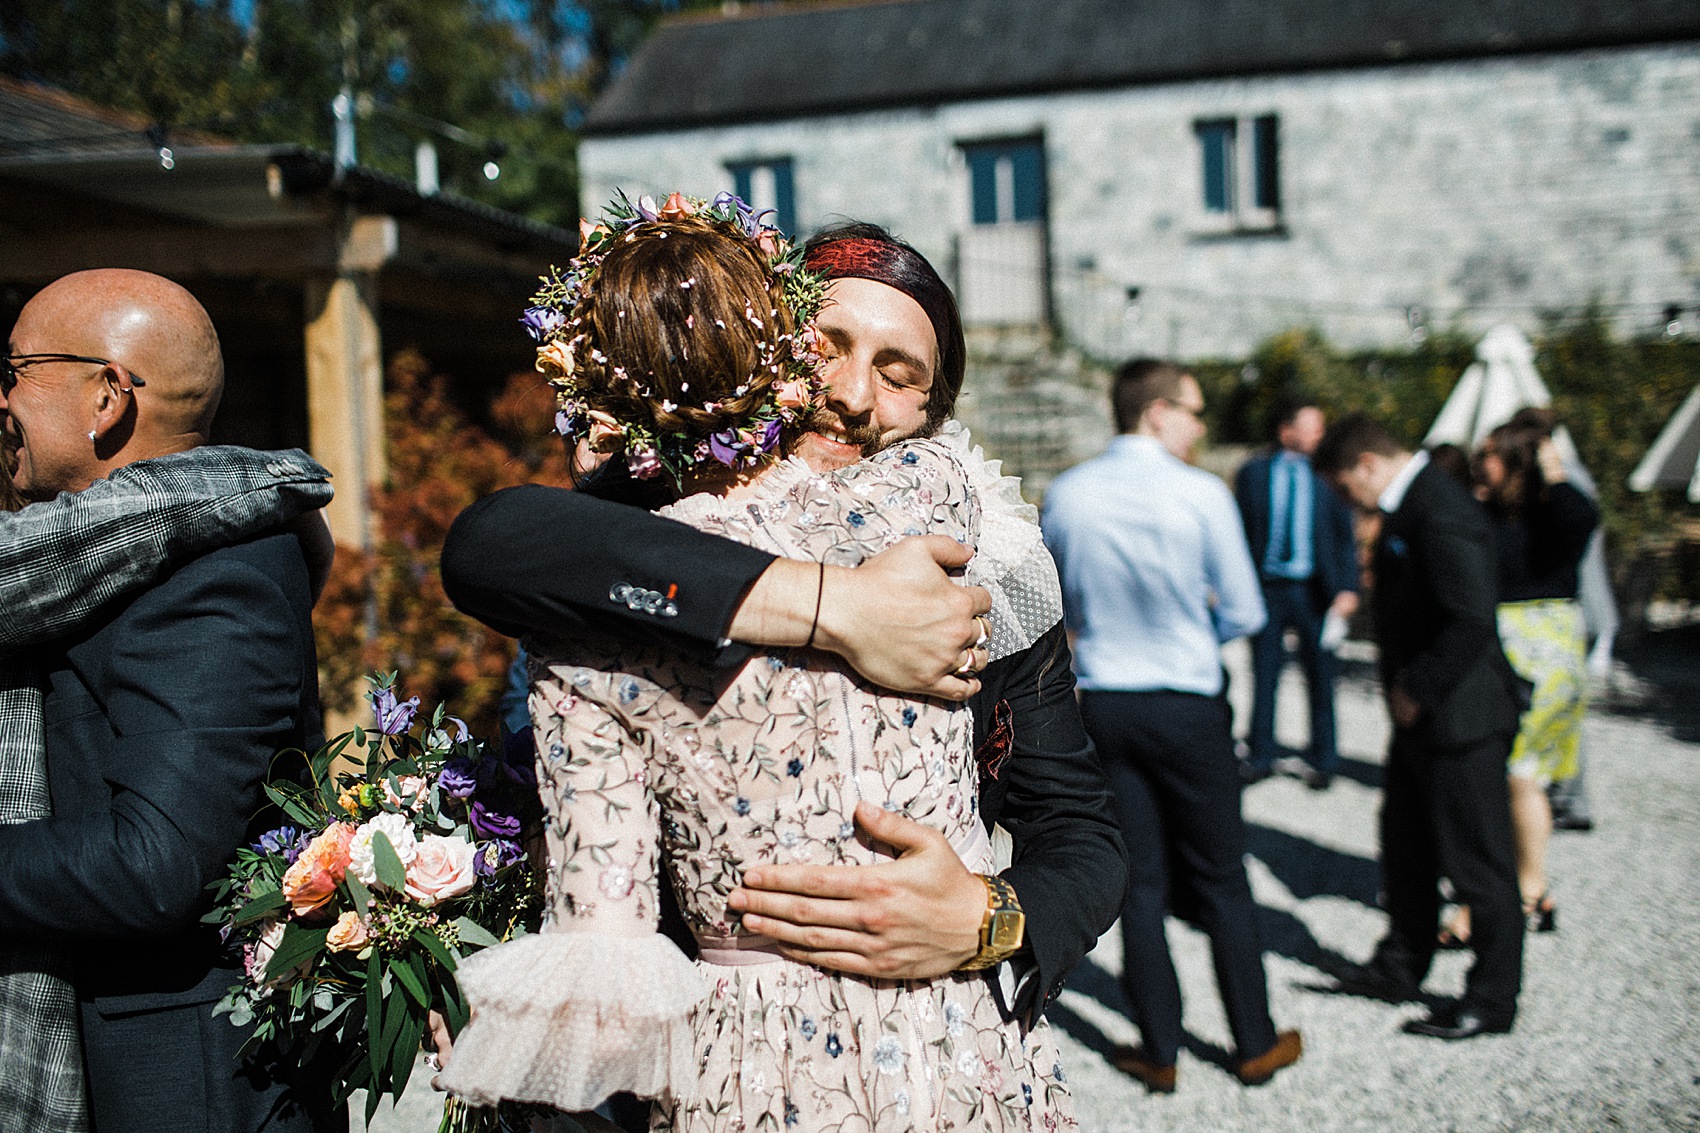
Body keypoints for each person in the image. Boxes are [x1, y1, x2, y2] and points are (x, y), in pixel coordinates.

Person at [439, 198, 1079, 1131]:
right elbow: (494, 543)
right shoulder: (619, 541)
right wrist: (842, 606)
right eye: (830, 344)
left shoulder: (989, 565)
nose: (853, 395)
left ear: (935, 414)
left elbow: (1082, 832)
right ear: (766, 342)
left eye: (899, 375)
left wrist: (989, 917)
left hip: (950, 1039)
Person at [0, 269, 342, 1131]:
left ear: (107, 396)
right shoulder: (58, 566)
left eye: (15, 370)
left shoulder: (220, 576)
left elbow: (154, 862)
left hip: (176, 1080)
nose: (0, 400)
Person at [1041, 359, 1302, 1092]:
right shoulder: (1201, 493)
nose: (1200, 424)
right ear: (1157, 411)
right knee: (1223, 874)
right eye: (1194, 410)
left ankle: (1160, 1050)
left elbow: (1048, 603)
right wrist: (1194, 628)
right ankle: (1252, 1040)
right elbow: (1248, 612)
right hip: (1187, 701)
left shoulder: (1069, 493)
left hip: (1107, 700)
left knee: (1144, 884)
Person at [1313, 413, 1527, 1041]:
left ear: (1367, 466)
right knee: (1405, 843)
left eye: (1348, 491)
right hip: (1424, 719)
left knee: (1477, 859)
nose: (1351, 504)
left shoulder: (1439, 508)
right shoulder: (1418, 502)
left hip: (1461, 716)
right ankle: (1401, 964)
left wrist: (1417, 689)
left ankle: (1491, 997)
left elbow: (1471, 617)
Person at [1474, 409, 1597, 934]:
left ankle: (1524, 888)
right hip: (1533, 650)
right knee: (1522, 778)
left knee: (1519, 775)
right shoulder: (1491, 514)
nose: (1481, 462)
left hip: (1537, 657)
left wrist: (1552, 462)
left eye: (1490, 454)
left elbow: (1582, 516)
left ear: (1516, 462)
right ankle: (1531, 886)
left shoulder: (1553, 514)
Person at [1235, 397, 1360, 789]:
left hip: (1315, 591)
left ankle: (1322, 758)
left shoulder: (1329, 475)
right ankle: (1261, 754)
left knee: (1320, 675)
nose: (1320, 435)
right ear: (1286, 431)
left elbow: (1346, 538)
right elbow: (1239, 533)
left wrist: (1347, 588)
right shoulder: (1253, 473)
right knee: (1265, 673)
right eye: (1313, 426)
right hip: (1267, 588)